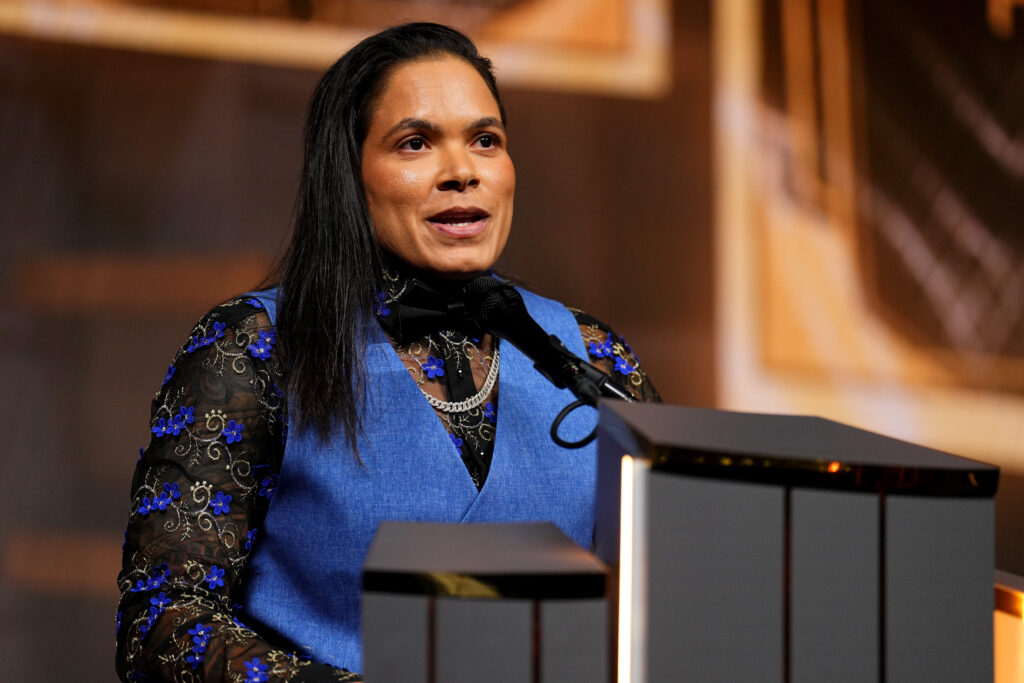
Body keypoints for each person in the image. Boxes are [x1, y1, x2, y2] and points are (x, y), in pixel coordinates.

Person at [115, 22, 659, 682]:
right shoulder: (255, 349)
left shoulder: (596, 357)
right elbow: (162, 623)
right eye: (415, 143)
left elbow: (671, 605)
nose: (463, 172)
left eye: (486, 140)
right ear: (349, 174)